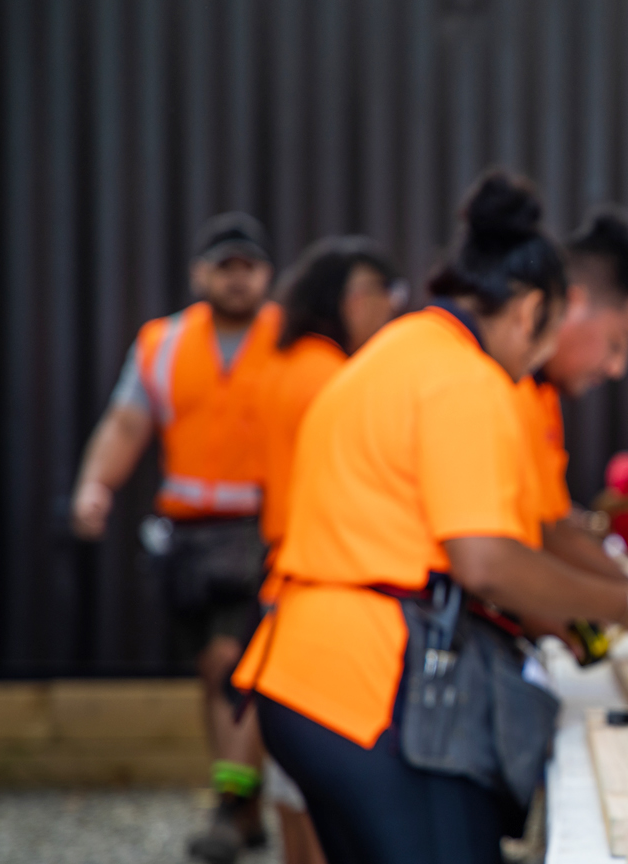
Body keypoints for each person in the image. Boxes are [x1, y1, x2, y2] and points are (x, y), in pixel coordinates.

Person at [231, 171, 628, 864]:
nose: (531, 370)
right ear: (531, 313)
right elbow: (488, 561)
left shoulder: (403, 351)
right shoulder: (471, 379)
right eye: (541, 340)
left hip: (303, 676)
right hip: (369, 690)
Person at [69, 212, 279, 863]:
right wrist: (95, 487)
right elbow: (127, 423)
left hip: (264, 529)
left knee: (233, 667)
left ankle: (230, 804)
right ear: (200, 273)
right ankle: (241, 803)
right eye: (225, 267)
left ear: (266, 276)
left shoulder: (293, 339)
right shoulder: (163, 343)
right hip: (188, 537)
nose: (236, 280)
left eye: (248, 268)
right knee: (212, 673)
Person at [257, 235, 409, 864]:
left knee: (290, 792)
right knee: (320, 803)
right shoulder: (331, 375)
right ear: (345, 299)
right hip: (319, 588)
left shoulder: (285, 363)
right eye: (381, 295)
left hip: (281, 582)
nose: (389, 311)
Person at [515, 210, 628, 588]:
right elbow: (496, 560)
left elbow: (551, 526)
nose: (617, 368)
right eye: (618, 343)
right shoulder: (488, 383)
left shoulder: (540, 395)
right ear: (574, 302)